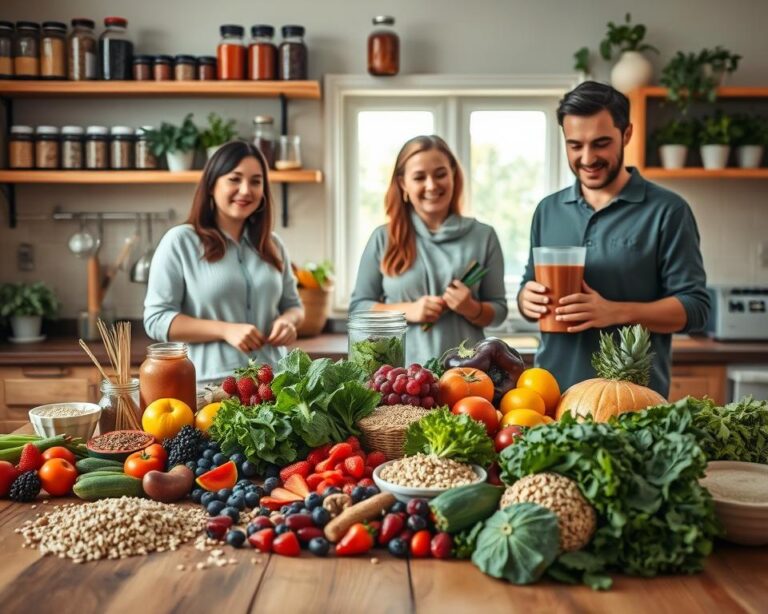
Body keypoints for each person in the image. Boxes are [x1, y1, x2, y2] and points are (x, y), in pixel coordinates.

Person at [517, 81, 710, 397]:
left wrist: (614, 311)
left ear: (627, 134)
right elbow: (529, 286)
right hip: (552, 397)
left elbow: (696, 308)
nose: (587, 158)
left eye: (601, 143)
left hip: (633, 400)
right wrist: (526, 298)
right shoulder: (548, 210)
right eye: (575, 145)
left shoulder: (668, 211)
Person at [144, 141, 304, 385]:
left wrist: (288, 322)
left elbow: (294, 306)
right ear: (211, 184)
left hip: (275, 384)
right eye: (234, 179)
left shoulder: (273, 244)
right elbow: (156, 319)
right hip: (210, 387)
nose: (245, 190)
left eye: (255, 181)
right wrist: (225, 329)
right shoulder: (180, 241)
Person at [350, 135, 508, 366]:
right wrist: (409, 311)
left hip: (467, 374)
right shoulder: (383, 238)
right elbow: (359, 308)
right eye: (419, 177)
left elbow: (499, 311)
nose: (432, 185)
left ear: (454, 175)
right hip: (400, 376)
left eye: (440, 174)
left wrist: (471, 308)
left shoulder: (483, 237)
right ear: (403, 184)